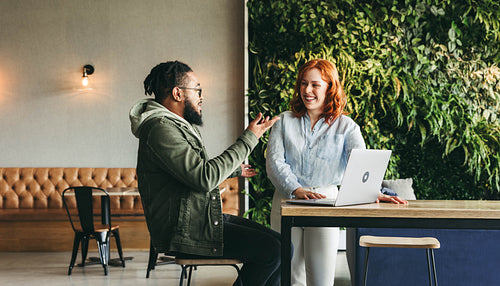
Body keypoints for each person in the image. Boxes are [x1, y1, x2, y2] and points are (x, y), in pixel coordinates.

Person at [129, 60, 281, 286]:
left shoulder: (174, 125)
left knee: (281, 244)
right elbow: (204, 178)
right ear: (177, 93)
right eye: (197, 90)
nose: (201, 96)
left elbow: (193, 172)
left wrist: (235, 169)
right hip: (185, 230)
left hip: (199, 219)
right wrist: (249, 138)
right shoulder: (160, 128)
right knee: (271, 251)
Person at [266, 59, 407, 286]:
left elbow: (361, 167)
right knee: (289, 279)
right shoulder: (283, 121)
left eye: (315, 85)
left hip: (326, 204)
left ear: (330, 87)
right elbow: (274, 163)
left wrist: (374, 191)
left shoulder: (347, 126)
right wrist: (296, 189)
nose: (307, 90)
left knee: (321, 280)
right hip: (286, 202)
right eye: (303, 84)